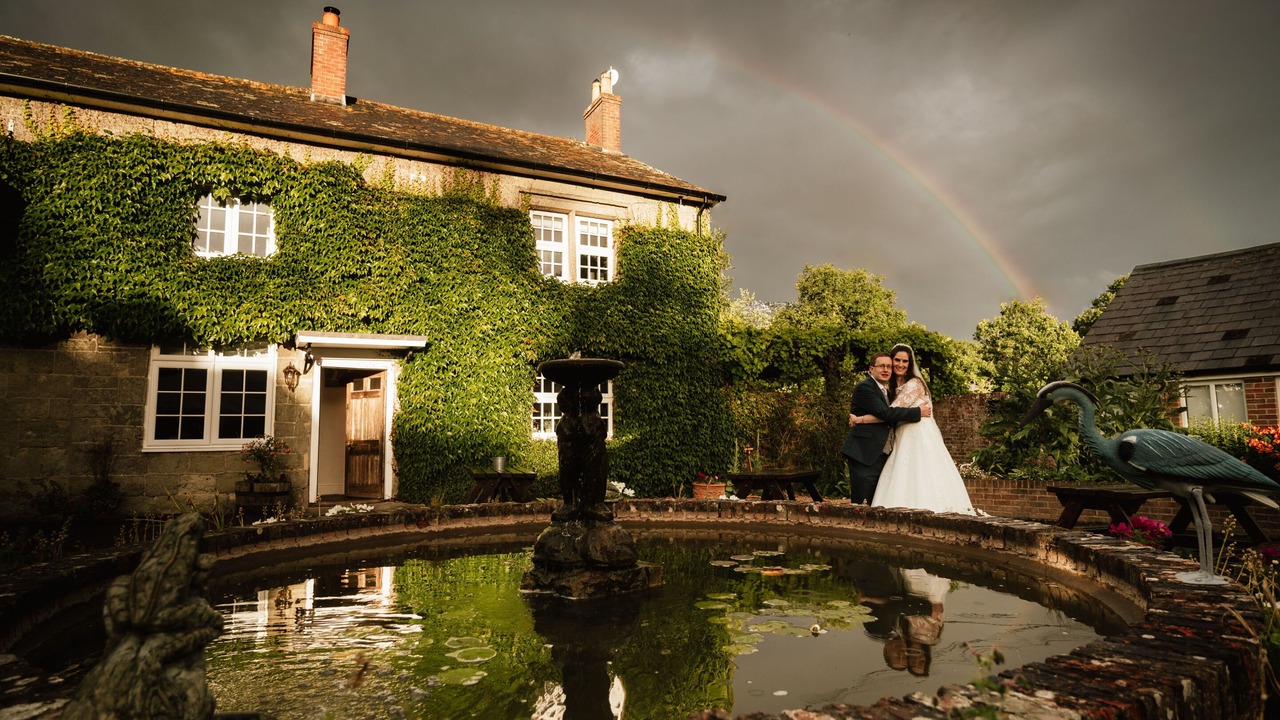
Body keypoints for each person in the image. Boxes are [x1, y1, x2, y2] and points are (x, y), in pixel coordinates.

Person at [854, 344, 979, 514]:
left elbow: (890, 413)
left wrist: (860, 419)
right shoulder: (891, 387)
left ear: (910, 363)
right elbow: (891, 414)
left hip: (917, 435)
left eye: (905, 361)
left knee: (921, 473)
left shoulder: (915, 384)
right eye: (897, 360)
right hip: (902, 435)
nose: (900, 364)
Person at [841, 352, 930, 504]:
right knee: (862, 501)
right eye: (881, 366)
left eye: (889, 366)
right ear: (871, 369)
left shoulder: (886, 391)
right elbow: (886, 413)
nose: (886, 370)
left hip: (880, 452)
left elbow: (888, 417)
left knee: (875, 500)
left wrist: (860, 420)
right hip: (864, 452)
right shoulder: (865, 387)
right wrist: (917, 412)